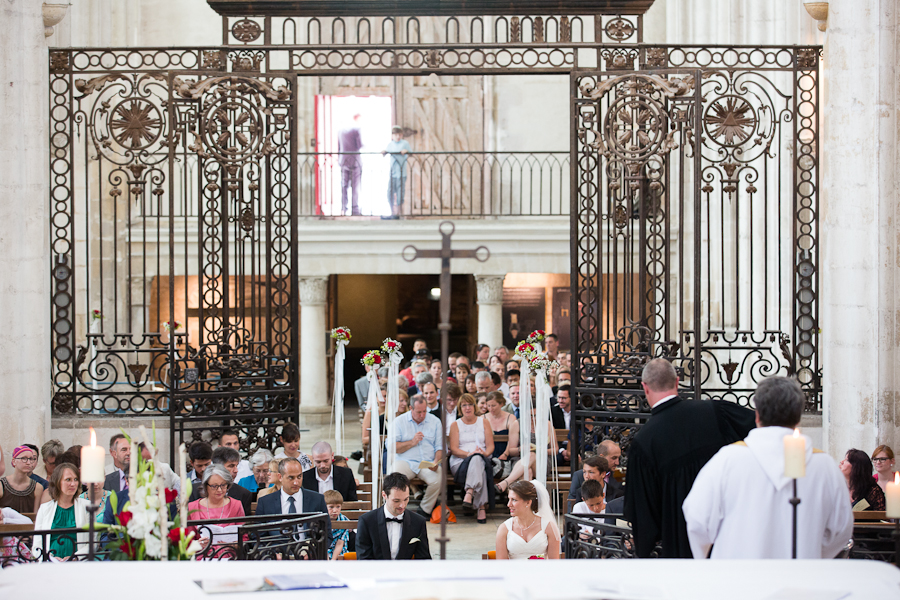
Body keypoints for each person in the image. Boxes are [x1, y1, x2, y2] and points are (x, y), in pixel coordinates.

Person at [683, 376, 853, 559]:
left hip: (736, 579)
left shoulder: (727, 460)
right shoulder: (825, 466)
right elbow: (841, 528)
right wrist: (813, 553)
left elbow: (697, 519)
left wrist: (705, 556)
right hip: (800, 578)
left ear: (757, 414)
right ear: (798, 417)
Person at [623, 358, 756, 558]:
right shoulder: (715, 411)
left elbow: (643, 515)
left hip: (682, 545)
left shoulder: (644, 442)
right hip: (731, 535)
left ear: (645, 387)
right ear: (677, 382)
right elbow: (762, 431)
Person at [356, 472, 431, 560]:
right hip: (376, 572)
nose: (402, 505)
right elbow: (364, 559)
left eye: (406, 499)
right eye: (396, 501)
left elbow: (424, 560)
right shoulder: (367, 521)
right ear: (384, 495)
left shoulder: (418, 522)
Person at [390, 396, 443, 517]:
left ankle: (424, 510)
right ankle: (396, 510)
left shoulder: (435, 421)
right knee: (395, 477)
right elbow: (392, 447)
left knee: (437, 478)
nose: (422, 415)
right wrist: (412, 442)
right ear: (410, 408)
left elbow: (439, 446)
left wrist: (436, 461)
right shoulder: (399, 421)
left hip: (427, 462)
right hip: (405, 461)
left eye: (425, 411)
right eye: (419, 412)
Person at [449, 394, 495, 523]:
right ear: (460, 408)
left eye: (470, 405)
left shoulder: (484, 422)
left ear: (475, 407)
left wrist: (483, 454)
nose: (467, 408)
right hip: (460, 460)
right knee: (476, 461)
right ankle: (481, 507)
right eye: (464, 405)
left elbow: (490, 447)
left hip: (482, 458)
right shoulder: (455, 425)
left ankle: (469, 492)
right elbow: (454, 449)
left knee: (478, 461)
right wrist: (470, 455)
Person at [33, 463, 89, 560]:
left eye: (76, 479)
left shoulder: (87, 506)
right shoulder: (45, 508)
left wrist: (75, 557)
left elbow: (93, 541)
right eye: (68, 480)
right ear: (58, 482)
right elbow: (37, 544)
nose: (73, 484)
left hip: (79, 563)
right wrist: (50, 559)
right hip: (51, 563)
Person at [495, 480, 560, 559]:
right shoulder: (504, 528)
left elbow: (554, 564)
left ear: (528, 503)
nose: (509, 504)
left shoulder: (549, 527)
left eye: (514, 500)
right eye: (509, 499)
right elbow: (502, 565)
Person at [189, 447, 254, 516]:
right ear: (218, 467)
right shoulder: (194, 491)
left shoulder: (243, 494)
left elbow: (244, 524)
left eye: (236, 466)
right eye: (231, 466)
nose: (236, 470)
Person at [0, 445, 45, 514]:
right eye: (24, 458)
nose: (28, 462)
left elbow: (35, 516)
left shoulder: (37, 488)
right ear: (14, 461)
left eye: (31, 459)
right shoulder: (1, 485)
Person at [382, 126, 411, 219]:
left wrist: (406, 151)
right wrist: (384, 152)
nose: (398, 136)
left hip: (401, 173)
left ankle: (399, 213)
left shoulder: (405, 143)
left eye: (399, 134)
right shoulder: (390, 144)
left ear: (402, 135)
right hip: (393, 173)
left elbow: (410, 153)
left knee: (400, 193)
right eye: (395, 134)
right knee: (390, 192)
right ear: (392, 136)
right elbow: (386, 151)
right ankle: (392, 212)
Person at [338, 113, 363, 216]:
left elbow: (338, 146)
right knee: (355, 186)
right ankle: (355, 209)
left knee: (344, 186)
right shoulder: (356, 130)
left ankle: (344, 208)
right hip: (355, 161)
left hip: (343, 160)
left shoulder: (341, 130)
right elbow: (359, 144)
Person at [325, 490, 351, 560]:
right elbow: (322, 543)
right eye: (331, 507)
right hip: (324, 552)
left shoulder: (344, 521)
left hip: (339, 552)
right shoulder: (321, 521)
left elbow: (340, 543)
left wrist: (333, 561)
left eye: (338, 507)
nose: (335, 510)